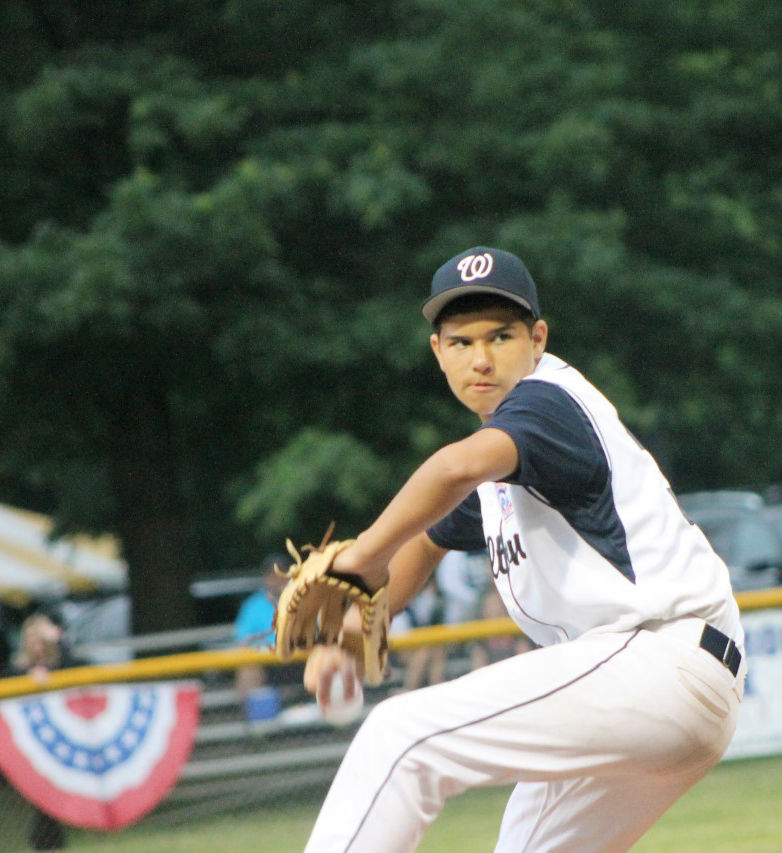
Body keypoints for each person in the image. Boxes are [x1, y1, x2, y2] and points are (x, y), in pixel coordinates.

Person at [297, 246, 746, 851]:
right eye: (460, 342)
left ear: (537, 339)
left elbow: (453, 470)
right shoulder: (505, 457)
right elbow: (428, 541)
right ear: (437, 352)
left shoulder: (545, 402)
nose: (480, 359)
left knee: (401, 736)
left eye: (500, 336)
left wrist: (360, 557)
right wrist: (351, 635)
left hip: (656, 660)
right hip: (654, 685)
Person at [10, 615, 72, 850]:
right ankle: (45, 841)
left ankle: (48, 841)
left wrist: (60, 640)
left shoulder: (62, 663)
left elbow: (80, 664)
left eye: (43, 641)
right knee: (41, 794)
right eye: (34, 641)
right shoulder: (18, 668)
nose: (39, 647)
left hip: (61, 735)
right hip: (31, 737)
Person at [233, 553, 291, 712]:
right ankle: (259, 726)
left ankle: (334, 720)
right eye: (271, 574)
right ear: (265, 577)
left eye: (281, 573)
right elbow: (242, 642)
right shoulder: (252, 606)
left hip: (299, 658)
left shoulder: (304, 600)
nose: (276, 579)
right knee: (248, 669)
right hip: (266, 661)